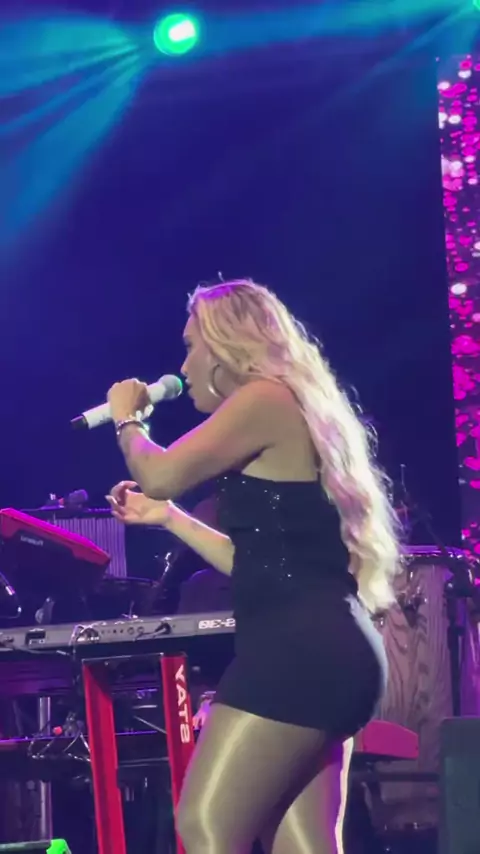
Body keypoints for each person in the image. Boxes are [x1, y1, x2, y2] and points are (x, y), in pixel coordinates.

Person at [106, 279, 400, 854]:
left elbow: (160, 473)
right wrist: (169, 519)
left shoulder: (265, 398)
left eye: (191, 346)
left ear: (225, 347)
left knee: (206, 827)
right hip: (333, 652)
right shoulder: (289, 404)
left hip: (298, 653)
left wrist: (127, 422)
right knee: (304, 845)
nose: (183, 366)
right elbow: (260, 563)